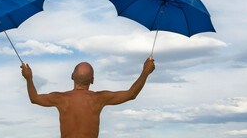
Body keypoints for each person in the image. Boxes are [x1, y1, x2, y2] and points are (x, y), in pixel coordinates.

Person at [21, 57, 155, 138]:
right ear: (92, 80)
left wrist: (29, 78)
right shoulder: (99, 98)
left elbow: (34, 98)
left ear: (72, 76)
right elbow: (131, 94)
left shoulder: (59, 98)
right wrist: (145, 72)